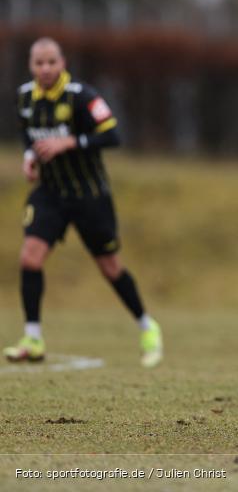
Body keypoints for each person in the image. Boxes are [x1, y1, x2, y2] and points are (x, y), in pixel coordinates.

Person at [4, 38, 162, 368]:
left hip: (89, 195)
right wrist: (30, 157)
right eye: (39, 63)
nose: (45, 69)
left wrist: (70, 142)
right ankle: (33, 338)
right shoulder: (24, 98)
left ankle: (147, 326)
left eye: (51, 62)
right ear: (31, 66)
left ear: (62, 63)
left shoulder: (81, 96)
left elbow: (113, 135)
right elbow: (27, 135)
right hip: (50, 194)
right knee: (30, 257)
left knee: (110, 267)